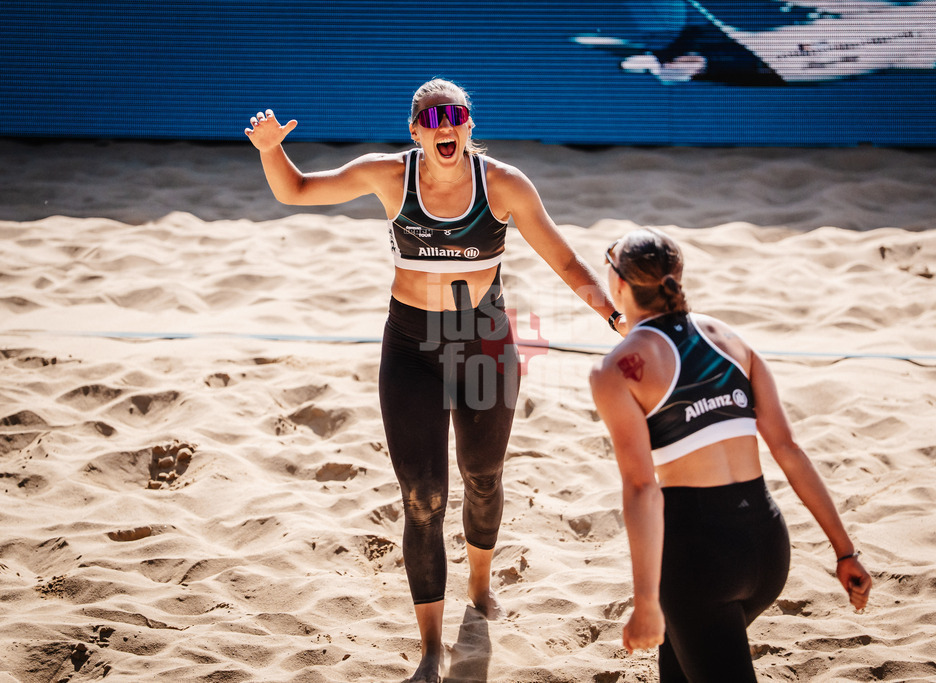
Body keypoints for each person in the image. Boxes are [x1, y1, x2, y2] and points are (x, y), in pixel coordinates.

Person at [245, 78, 624, 683]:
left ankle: (479, 585)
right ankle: (428, 649)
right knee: (422, 500)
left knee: (482, 477)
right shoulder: (388, 175)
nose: (446, 126)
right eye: (432, 118)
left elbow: (566, 261)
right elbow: (294, 191)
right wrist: (270, 149)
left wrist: (612, 313)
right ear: (417, 130)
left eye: (457, 116)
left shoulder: (502, 184)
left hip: (483, 347)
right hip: (413, 350)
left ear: (469, 125)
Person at [589, 228, 871, 681]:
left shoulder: (617, 367)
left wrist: (645, 604)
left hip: (701, 560)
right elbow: (789, 449)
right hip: (767, 546)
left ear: (619, 284)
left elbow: (642, 487)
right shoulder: (730, 339)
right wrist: (844, 552)